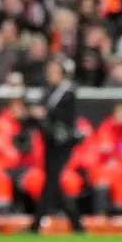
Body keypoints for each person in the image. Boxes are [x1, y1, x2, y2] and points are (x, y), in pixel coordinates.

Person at [28, 58, 83, 233]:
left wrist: (44, 114)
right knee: (52, 184)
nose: (50, 75)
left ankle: (37, 224)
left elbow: (66, 118)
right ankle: (76, 223)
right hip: (50, 142)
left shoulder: (67, 92)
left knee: (51, 183)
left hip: (62, 144)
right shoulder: (50, 92)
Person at [0, 96, 44, 217]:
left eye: (23, 107)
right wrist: (9, 148)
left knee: (37, 178)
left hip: (17, 167)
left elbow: (32, 153)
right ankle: (3, 216)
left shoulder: (27, 127)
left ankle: (43, 214)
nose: (22, 110)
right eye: (19, 107)